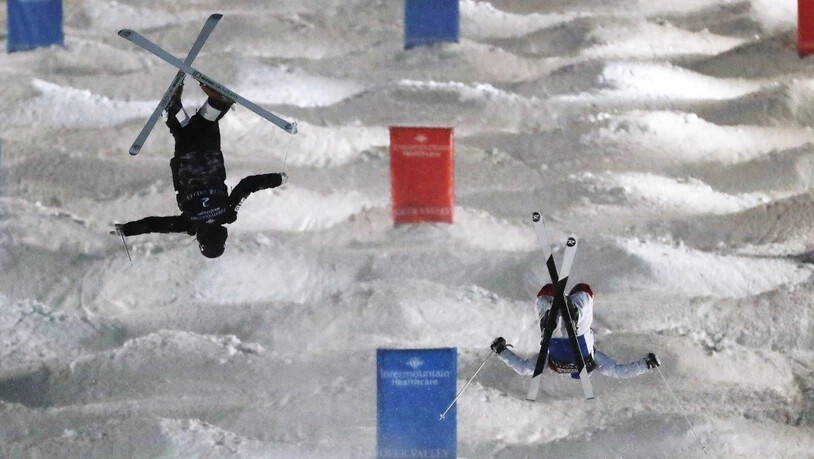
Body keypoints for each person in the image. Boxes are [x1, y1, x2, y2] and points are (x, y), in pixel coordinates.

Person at [113, 82, 287, 258]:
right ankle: (200, 102)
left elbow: (247, 185)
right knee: (183, 126)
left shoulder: (227, 213)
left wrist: (278, 179)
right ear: (202, 241)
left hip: (211, 155)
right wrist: (127, 230)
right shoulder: (189, 224)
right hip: (187, 159)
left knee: (203, 123)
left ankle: (213, 102)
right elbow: (156, 225)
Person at [490, 283, 660, 379]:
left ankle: (571, 312)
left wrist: (647, 364)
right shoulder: (555, 364)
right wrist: (500, 350)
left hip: (578, 334)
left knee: (584, 290)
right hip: (554, 336)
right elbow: (525, 368)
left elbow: (619, 371)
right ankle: (554, 314)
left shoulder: (591, 358)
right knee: (546, 294)